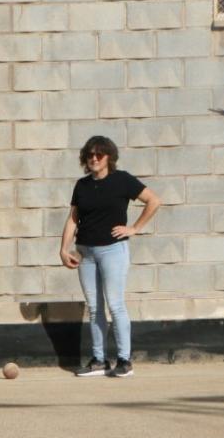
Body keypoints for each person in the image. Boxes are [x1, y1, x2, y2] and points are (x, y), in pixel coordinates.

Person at [58, 136, 161, 379]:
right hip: (85, 252)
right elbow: (73, 218)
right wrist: (64, 249)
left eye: (99, 155)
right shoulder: (82, 185)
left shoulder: (122, 180)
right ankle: (99, 360)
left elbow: (154, 201)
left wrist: (134, 228)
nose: (94, 158)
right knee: (94, 308)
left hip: (113, 250)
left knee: (115, 305)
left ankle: (124, 360)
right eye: (90, 155)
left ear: (109, 158)